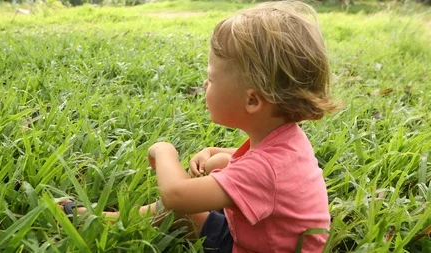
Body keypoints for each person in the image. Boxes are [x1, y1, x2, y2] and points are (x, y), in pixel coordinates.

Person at [61, 1, 338, 252]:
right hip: (265, 234)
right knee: (218, 166)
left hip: (248, 246)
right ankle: (119, 217)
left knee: (182, 212)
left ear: (252, 99)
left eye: (212, 79)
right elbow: (258, 167)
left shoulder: (264, 171)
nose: (205, 85)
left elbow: (176, 196)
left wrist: (164, 150)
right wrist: (217, 153)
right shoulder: (288, 141)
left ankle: (107, 221)